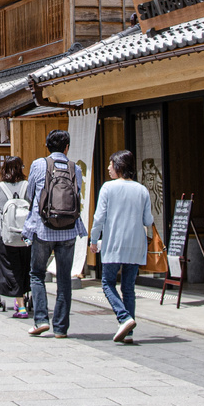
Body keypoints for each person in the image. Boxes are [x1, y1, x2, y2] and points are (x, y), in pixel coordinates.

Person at [22, 129, 87, 339]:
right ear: (67, 147)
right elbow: (76, 195)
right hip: (68, 228)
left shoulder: (39, 165)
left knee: (37, 274)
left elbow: (29, 195)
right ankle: (60, 328)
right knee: (64, 279)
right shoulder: (74, 168)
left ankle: (41, 320)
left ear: (47, 146)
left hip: (43, 227)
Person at [89, 150, 153, 343]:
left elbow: (99, 218)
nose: (108, 168)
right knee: (128, 288)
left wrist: (93, 240)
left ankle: (124, 318)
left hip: (113, 243)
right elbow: (148, 220)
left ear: (118, 166)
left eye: (111, 164)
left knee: (108, 283)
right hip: (135, 244)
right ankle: (128, 331)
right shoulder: (142, 190)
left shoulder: (108, 188)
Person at [0, 156, 32, 319]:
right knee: (26, 267)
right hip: (26, 236)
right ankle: (23, 298)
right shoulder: (27, 186)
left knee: (11, 268)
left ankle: (20, 306)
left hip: (7, 236)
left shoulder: (0, 188)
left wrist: (5, 223)